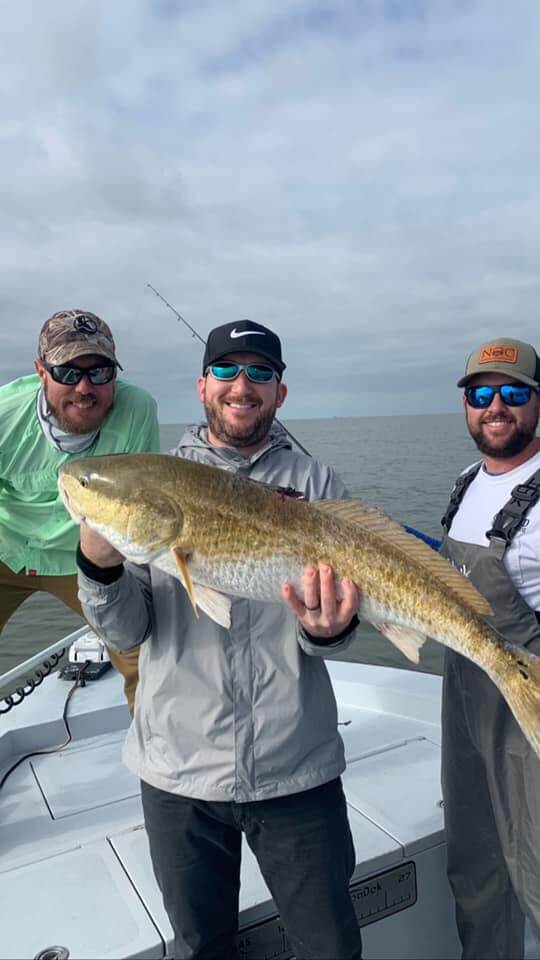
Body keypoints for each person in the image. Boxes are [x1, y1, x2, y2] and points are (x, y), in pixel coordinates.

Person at [77, 319, 363, 960]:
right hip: (179, 774)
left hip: (298, 770)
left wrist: (333, 628)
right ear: (203, 385)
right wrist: (99, 562)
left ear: (280, 393)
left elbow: (335, 629)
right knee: (199, 948)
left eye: (260, 372)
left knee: (332, 948)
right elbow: (127, 631)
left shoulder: (316, 484)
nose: (243, 385)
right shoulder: (157, 481)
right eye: (228, 371)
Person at [0, 309, 160, 712]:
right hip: (6, 548)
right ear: (40, 372)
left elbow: (143, 502)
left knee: (149, 654)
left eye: (100, 372)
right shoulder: (4, 414)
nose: (85, 387)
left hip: (88, 555)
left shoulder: (138, 410)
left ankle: (162, 760)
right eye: (68, 373)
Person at [440, 337, 540, 960]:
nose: (495, 406)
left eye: (513, 393)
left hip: (526, 703)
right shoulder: (463, 484)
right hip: (464, 697)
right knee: (475, 864)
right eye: (481, 393)